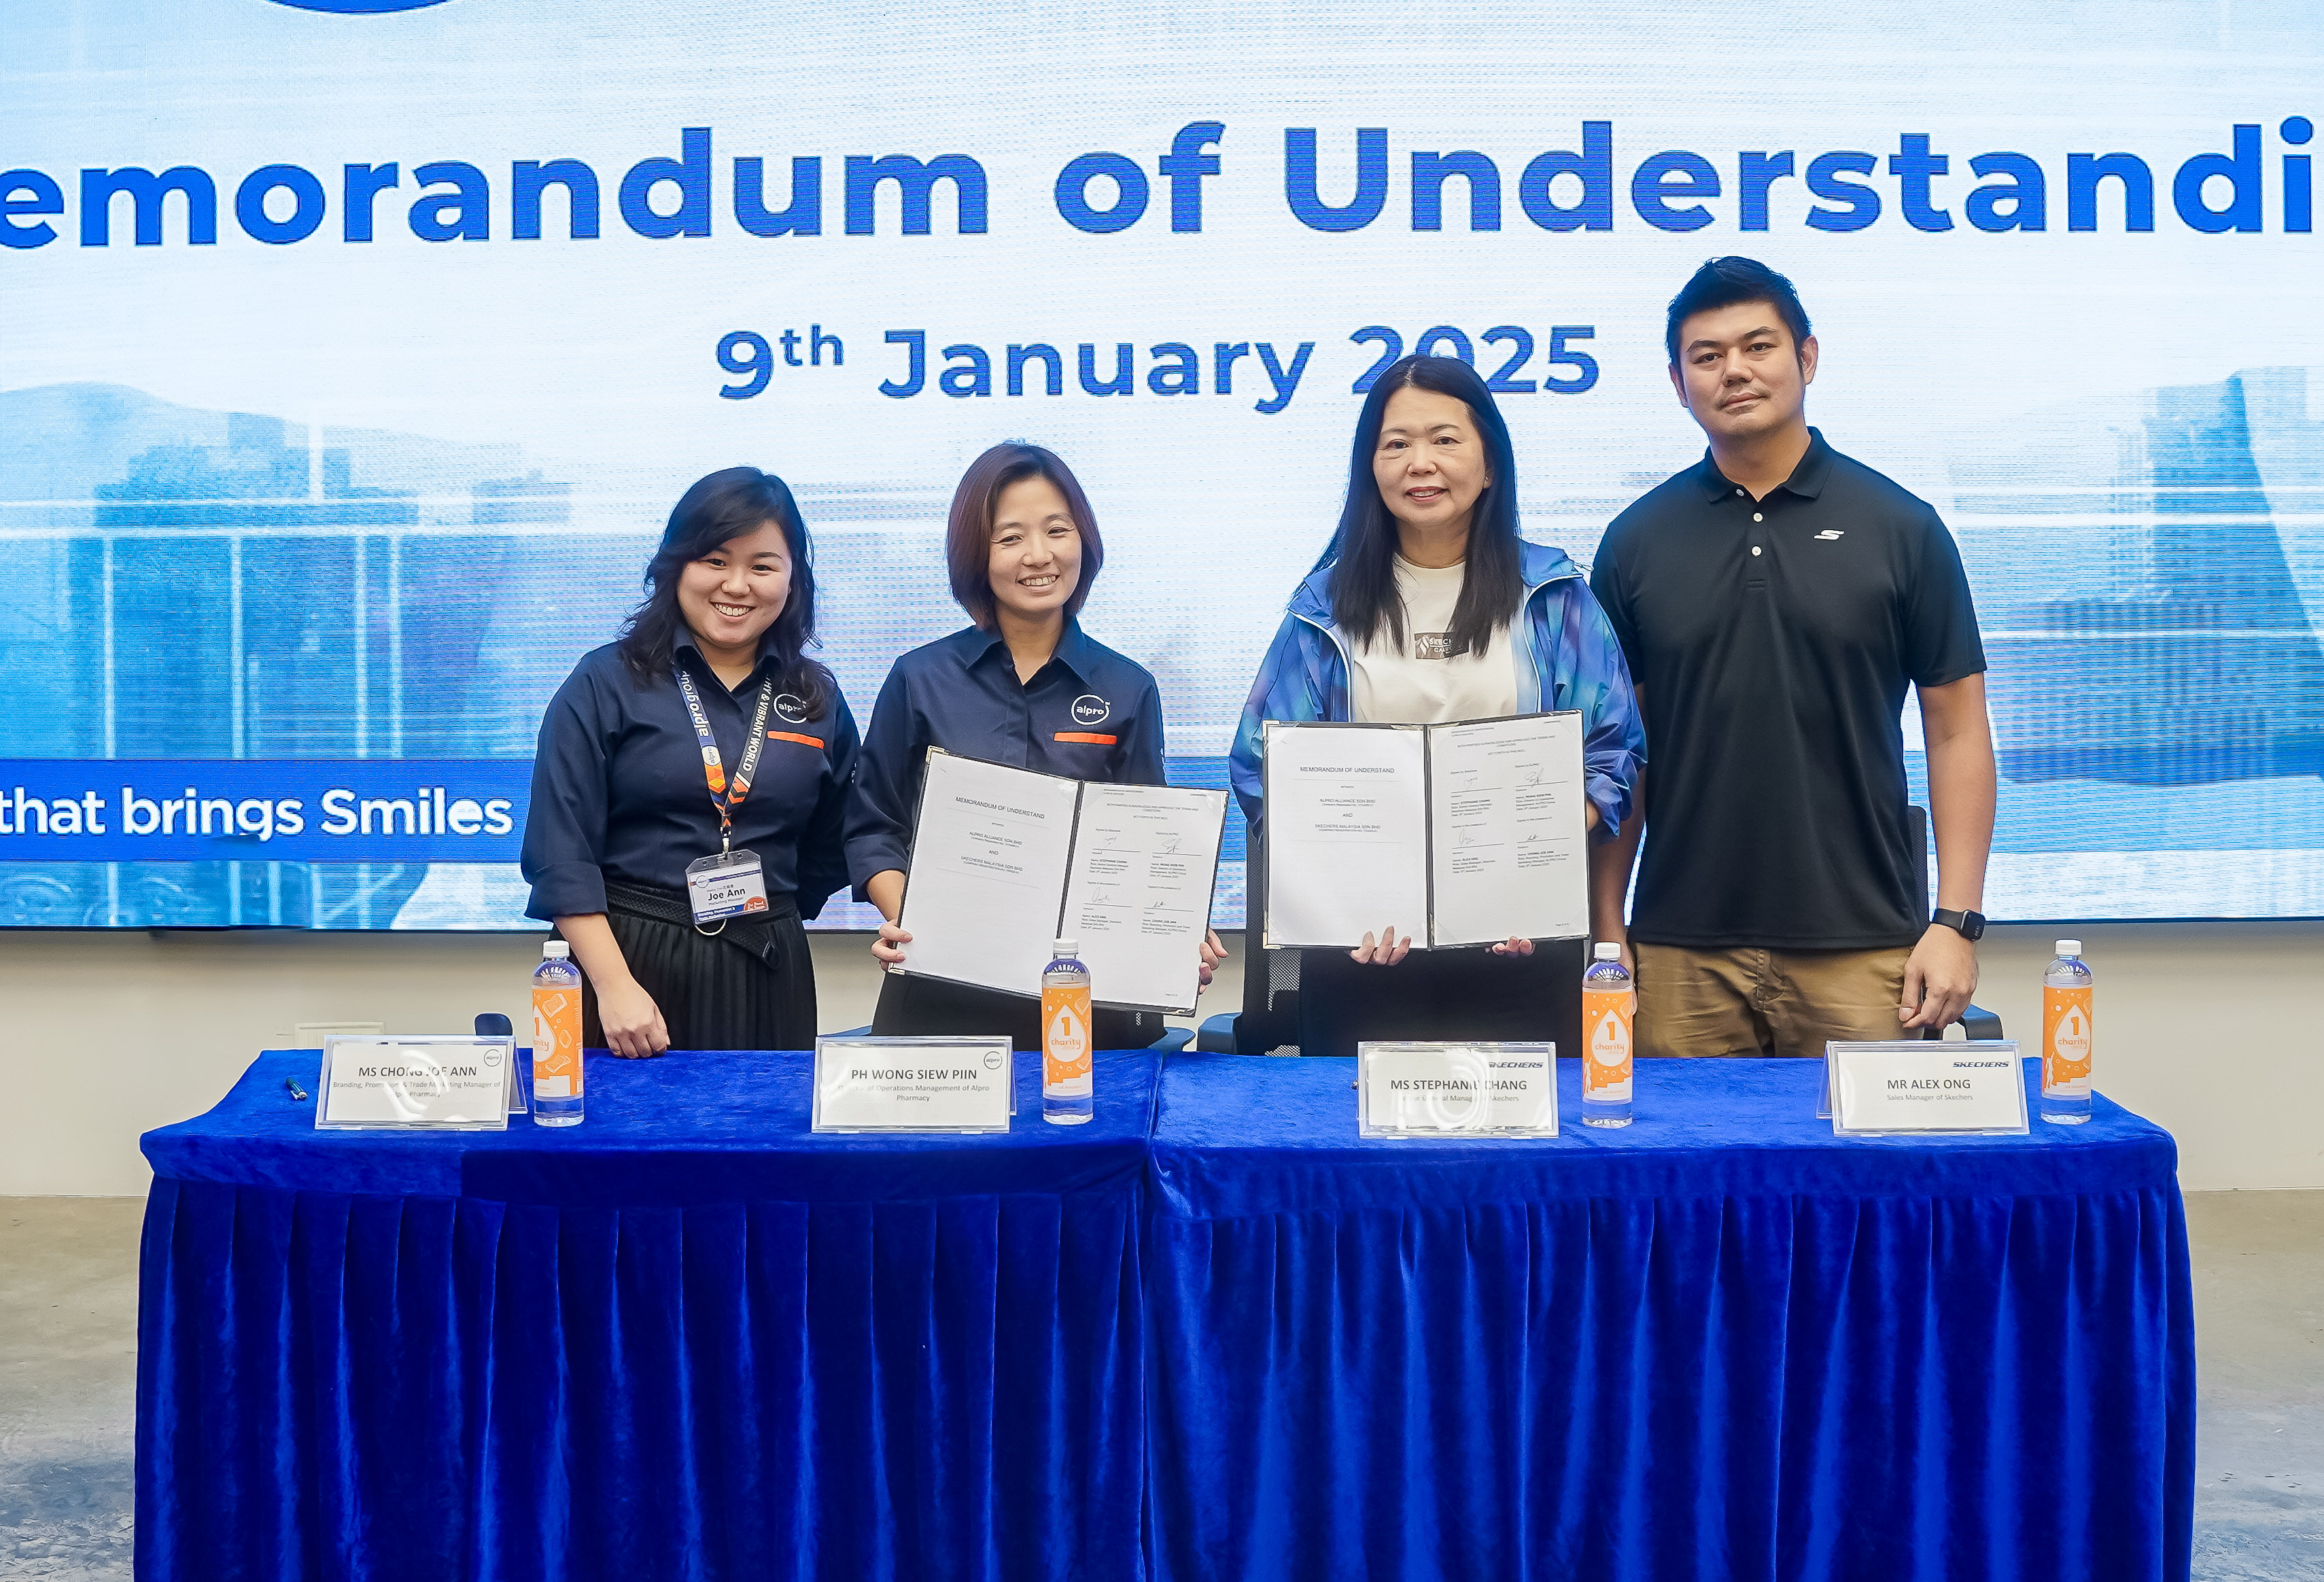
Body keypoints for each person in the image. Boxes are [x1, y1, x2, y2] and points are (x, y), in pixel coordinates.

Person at [1589, 254, 1994, 1054]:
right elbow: (1616, 757)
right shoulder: (1634, 542)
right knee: (1680, 1177)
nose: (1733, 371)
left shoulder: (1900, 527)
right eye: (1706, 356)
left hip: (1867, 945)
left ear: (1805, 358)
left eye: (1757, 346)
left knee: (1869, 1180)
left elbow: (1957, 730)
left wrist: (1955, 921)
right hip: (1679, 950)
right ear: (1677, 383)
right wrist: (1608, 931)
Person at [1229, 352, 1642, 1050]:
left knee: (1518, 1153)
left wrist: (1524, 871)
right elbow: (1259, 769)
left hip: (1520, 948)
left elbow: (1612, 753)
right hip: (1362, 953)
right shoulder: (1320, 610)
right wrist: (1347, 890)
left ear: (1489, 465)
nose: (1420, 462)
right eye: (1395, 444)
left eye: (1445, 439)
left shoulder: (1551, 595)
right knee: (1358, 1155)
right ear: (1370, 470)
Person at [852, 440, 1215, 1048]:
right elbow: (872, 827)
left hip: (1089, 1002)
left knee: (1089, 1142)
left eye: (1057, 530)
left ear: (1085, 541)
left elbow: (1148, 851)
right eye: (1010, 537)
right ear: (977, 553)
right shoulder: (919, 678)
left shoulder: (1129, 688)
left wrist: (1173, 937)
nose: (1039, 555)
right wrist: (912, 918)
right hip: (941, 991)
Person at [519, 466, 861, 1053]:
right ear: (676, 566)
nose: (737, 585)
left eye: (762, 565)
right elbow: (560, 851)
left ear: (792, 580)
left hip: (768, 965)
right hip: (629, 961)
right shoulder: (606, 681)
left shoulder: (815, 699)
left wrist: (773, 908)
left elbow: (841, 837)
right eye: (715, 560)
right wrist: (613, 983)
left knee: (764, 1142)